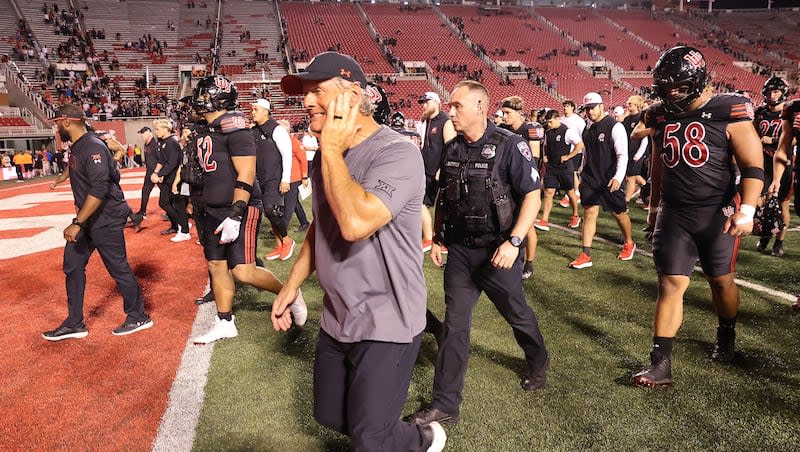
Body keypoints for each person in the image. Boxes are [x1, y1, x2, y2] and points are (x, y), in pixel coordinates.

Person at [270, 52, 446, 452]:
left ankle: (422, 439)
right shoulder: (325, 158)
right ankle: (399, 434)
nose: (306, 100)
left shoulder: (396, 152)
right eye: (304, 93)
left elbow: (355, 223)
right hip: (339, 314)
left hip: (388, 317)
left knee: (368, 439)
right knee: (330, 416)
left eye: (316, 90)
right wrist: (291, 285)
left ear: (351, 96)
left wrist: (329, 151)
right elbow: (323, 226)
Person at [407, 80, 548, 428]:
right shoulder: (451, 148)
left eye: (456, 106)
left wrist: (514, 242)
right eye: (449, 107)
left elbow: (531, 195)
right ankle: (445, 404)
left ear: (481, 107)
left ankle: (539, 360)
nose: (450, 112)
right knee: (455, 326)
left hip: (497, 251)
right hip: (460, 252)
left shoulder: (511, 145)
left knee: (517, 314)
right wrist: (438, 236)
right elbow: (445, 194)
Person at [631, 46, 764, 388]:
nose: (669, 92)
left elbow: (753, 166)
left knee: (721, 281)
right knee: (670, 285)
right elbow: (658, 164)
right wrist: (653, 209)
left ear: (698, 79)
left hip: (715, 213)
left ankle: (726, 332)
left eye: (677, 85)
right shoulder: (659, 115)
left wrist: (746, 211)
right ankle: (660, 364)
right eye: (665, 85)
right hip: (675, 214)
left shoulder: (727, 109)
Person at [188, 75, 307, 345]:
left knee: (243, 270)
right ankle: (225, 321)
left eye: (206, 94)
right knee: (216, 266)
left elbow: (246, 171)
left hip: (238, 207)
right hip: (211, 208)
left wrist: (236, 212)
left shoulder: (235, 127)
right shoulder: (205, 129)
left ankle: (291, 293)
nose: (200, 98)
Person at [42, 104, 152, 341]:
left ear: (68, 122)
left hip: (105, 218)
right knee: (72, 265)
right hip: (89, 218)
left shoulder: (91, 146)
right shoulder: (81, 146)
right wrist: (62, 178)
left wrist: (77, 222)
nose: (57, 127)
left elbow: (100, 187)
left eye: (58, 122)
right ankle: (74, 323)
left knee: (118, 268)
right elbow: (83, 171)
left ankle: (138, 315)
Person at [568, 92, 636, 269]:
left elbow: (623, 155)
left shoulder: (615, 127)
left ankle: (629, 242)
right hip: (591, 178)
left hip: (609, 178)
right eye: (587, 109)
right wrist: (583, 174)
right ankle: (586, 254)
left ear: (601, 106)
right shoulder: (588, 130)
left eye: (592, 108)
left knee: (619, 213)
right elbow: (587, 155)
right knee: (589, 213)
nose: (590, 112)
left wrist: (618, 177)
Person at [501, 95, 544, 279]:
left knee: (528, 224)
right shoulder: (503, 130)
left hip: (526, 182)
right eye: (503, 112)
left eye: (508, 112)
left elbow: (533, 160)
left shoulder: (530, 130)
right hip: (509, 182)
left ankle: (530, 263)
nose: (504, 116)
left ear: (519, 113)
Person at [250, 98, 295, 261]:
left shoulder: (277, 129)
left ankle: (287, 240)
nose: (252, 112)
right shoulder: (253, 130)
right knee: (269, 214)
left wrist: (285, 179)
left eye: (255, 109)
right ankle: (279, 244)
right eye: (252, 109)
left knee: (271, 210)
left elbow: (287, 154)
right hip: (259, 178)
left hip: (274, 177)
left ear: (265, 111)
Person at [756, 77, 792, 256]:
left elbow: (792, 138)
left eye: (776, 91)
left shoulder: (789, 112)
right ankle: (764, 235)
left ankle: (779, 243)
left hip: (784, 164)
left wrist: (773, 140)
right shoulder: (759, 112)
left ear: (784, 92)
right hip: (763, 163)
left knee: (782, 204)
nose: (772, 95)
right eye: (769, 91)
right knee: (760, 201)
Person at [417, 91, 456, 252]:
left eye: (427, 102)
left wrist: (443, 168)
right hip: (425, 170)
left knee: (435, 205)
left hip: (437, 171)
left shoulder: (445, 121)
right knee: (422, 202)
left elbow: (451, 147)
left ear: (435, 102)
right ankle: (433, 237)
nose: (424, 105)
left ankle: (430, 238)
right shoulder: (426, 121)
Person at [538, 109, 583, 230]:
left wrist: (569, 156)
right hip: (551, 167)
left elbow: (580, 144)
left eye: (551, 121)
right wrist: (545, 156)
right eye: (548, 122)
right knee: (548, 192)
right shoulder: (548, 132)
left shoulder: (567, 132)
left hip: (564, 167)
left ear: (557, 119)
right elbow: (546, 146)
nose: (549, 124)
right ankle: (544, 220)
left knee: (570, 191)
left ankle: (575, 215)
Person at [151, 118, 191, 241]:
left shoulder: (172, 142)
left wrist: (159, 175)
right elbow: (163, 161)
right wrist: (156, 173)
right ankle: (179, 225)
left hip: (176, 179)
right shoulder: (163, 142)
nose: (156, 132)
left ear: (165, 129)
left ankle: (184, 229)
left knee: (178, 204)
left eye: (157, 129)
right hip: (168, 178)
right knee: (165, 203)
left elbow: (173, 163)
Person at [559, 99, 586, 207]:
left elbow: (583, 136)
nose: (565, 108)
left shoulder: (578, 120)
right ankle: (570, 193)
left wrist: (582, 151)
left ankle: (576, 192)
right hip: (563, 151)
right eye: (564, 106)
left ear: (573, 108)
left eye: (568, 106)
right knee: (567, 173)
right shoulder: (561, 119)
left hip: (575, 150)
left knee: (573, 172)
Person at [622, 95, 649, 203]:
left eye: (630, 104)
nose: (628, 106)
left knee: (630, 177)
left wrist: (639, 154)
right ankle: (648, 190)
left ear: (637, 105)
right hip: (627, 151)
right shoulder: (627, 119)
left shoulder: (641, 118)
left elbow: (645, 139)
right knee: (633, 176)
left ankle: (626, 201)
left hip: (636, 152)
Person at [131, 126, 158, 231]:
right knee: (145, 191)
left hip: (157, 172)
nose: (142, 135)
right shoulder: (146, 144)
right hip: (149, 172)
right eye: (141, 133)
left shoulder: (155, 144)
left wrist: (158, 173)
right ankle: (142, 211)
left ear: (149, 133)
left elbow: (160, 159)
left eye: (143, 133)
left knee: (166, 194)